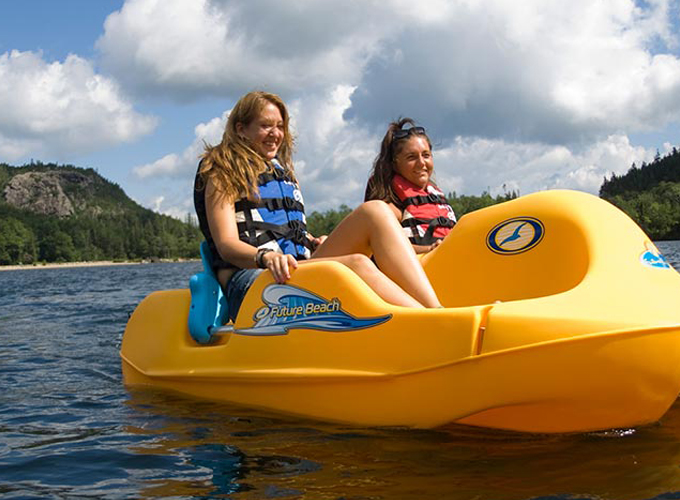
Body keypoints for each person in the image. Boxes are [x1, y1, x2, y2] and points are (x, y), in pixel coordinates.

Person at [194, 91, 443, 323]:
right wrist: (266, 257)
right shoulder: (221, 172)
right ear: (241, 130)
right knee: (357, 264)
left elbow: (286, 233)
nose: (275, 133)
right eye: (265, 125)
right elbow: (226, 245)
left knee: (375, 211)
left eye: (280, 126)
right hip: (251, 284)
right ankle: (429, 323)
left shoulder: (284, 174)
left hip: (294, 270)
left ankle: (436, 311)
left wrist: (311, 241)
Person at [365, 118, 456, 254]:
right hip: (421, 266)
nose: (421, 163)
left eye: (426, 155)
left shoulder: (436, 197)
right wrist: (430, 249)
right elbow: (385, 248)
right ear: (395, 164)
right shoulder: (390, 207)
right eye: (411, 157)